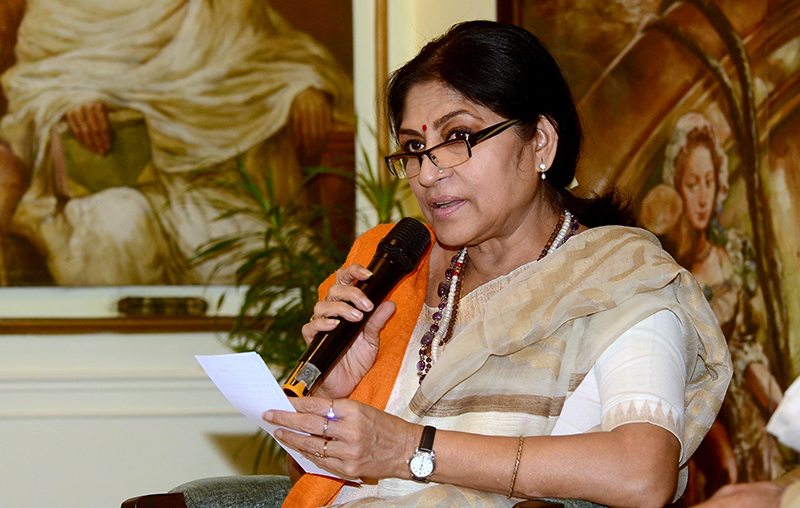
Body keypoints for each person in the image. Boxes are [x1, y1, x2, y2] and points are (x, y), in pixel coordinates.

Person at [261, 21, 731, 508]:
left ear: (540, 142)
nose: (428, 173)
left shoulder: (618, 277)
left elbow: (642, 475)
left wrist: (410, 449)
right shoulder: (393, 270)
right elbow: (312, 480)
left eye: (459, 136)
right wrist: (333, 394)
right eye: (415, 148)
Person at [0, 0, 353, 285]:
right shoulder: (55, 10)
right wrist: (66, 102)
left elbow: (277, 51)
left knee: (277, 266)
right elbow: (31, 88)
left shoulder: (217, 6)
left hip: (207, 184)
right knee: (121, 230)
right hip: (103, 185)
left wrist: (305, 85)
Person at [640, 112, 786, 494]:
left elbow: (749, 350)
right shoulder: (670, 272)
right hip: (705, 428)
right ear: (677, 187)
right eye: (692, 184)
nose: (702, 197)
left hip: (751, 415)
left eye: (709, 181)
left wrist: (781, 406)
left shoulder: (733, 252)